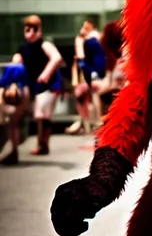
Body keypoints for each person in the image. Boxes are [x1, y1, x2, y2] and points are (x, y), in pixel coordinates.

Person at [3, 14, 65, 160]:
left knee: (41, 114)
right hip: (32, 87)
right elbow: (17, 63)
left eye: (34, 29)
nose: (31, 33)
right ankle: (27, 148)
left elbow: (56, 58)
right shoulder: (24, 48)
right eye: (28, 30)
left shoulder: (45, 44)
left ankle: (43, 144)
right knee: (28, 117)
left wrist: (46, 74)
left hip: (48, 85)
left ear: (40, 30)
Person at [68, 17, 104, 135]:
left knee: (92, 96)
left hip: (90, 71)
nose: (81, 29)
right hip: (89, 72)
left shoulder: (88, 40)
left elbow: (81, 56)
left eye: (84, 26)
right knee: (88, 98)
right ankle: (92, 124)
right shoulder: (95, 39)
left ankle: (95, 124)